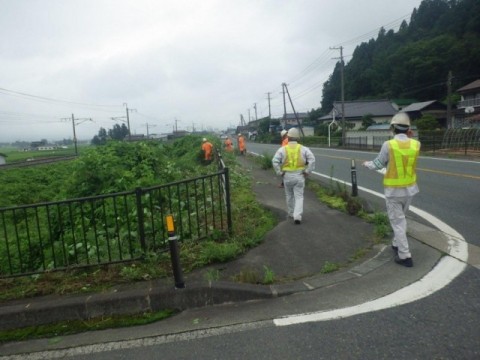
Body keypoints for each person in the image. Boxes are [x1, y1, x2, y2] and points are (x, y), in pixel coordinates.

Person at [362, 112, 420, 267]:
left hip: (394, 191)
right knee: (401, 220)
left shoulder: (389, 145)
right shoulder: (416, 144)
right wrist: (410, 136)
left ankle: (405, 256)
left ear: (393, 128)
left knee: (398, 223)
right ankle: (396, 244)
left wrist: (367, 164)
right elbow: (408, 145)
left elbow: (379, 164)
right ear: (408, 129)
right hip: (410, 189)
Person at [272, 127, 315, 225]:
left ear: (288, 137)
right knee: (299, 196)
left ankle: (291, 213)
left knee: (289, 195)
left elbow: (274, 161)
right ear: (298, 138)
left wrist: (279, 172)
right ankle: (298, 216)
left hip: (287, 176)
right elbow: (312, 159)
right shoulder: (303, 149)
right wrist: (307, 171)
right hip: (300, 175)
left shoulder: (283, 149)